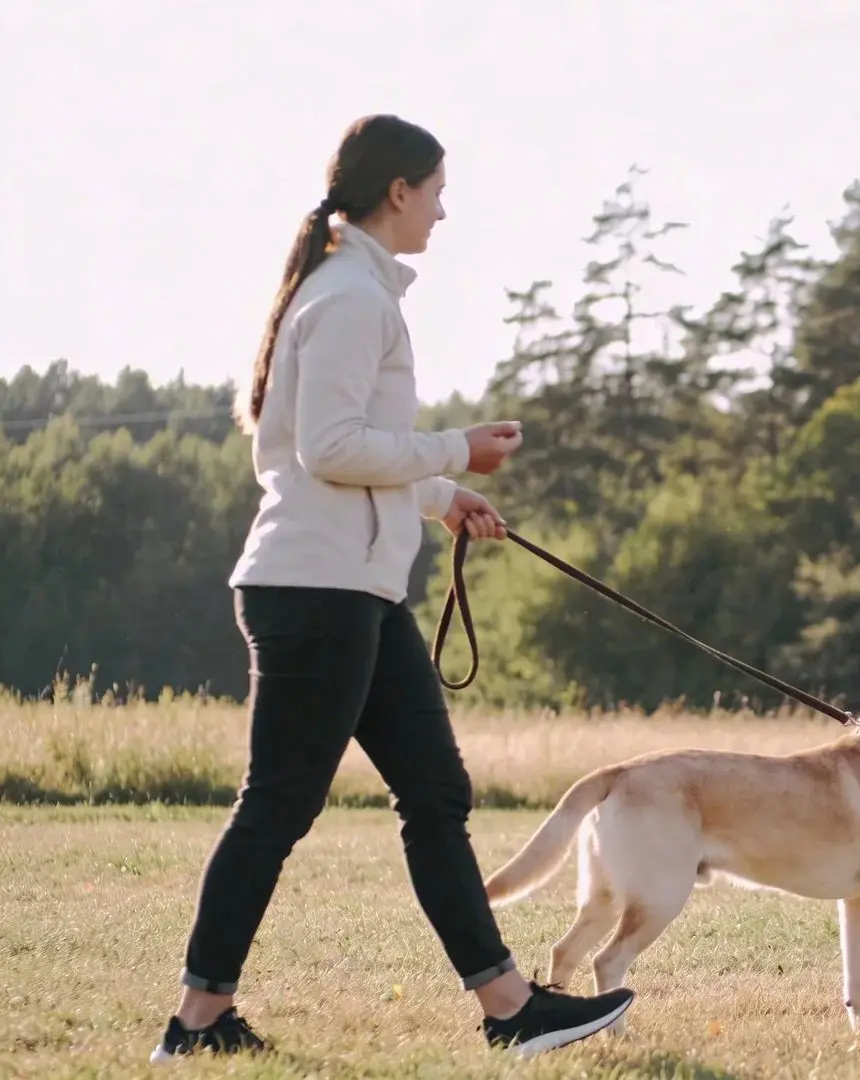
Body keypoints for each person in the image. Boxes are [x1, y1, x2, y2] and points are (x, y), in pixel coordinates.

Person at [154, 114, 635, 1062]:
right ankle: (194, 1023)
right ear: (398, 190)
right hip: (316, 593)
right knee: (280, 805)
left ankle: (508, 1008)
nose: (444, 212)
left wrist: (445, 494)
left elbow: (344, 456)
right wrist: (457, 447)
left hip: (353, 592)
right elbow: (327, 451)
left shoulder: (355, 291)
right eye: (438, 191)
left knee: (434, 790)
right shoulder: (349, 298)